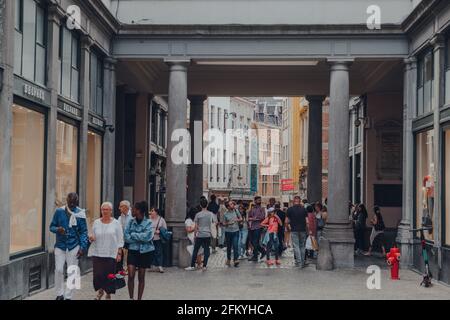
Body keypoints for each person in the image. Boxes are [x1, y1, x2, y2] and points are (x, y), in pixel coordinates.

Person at [49, 192, 88, 300]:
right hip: (60, 246)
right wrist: (58, 229)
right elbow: (51, 226)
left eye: (74, 203)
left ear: (77, 202)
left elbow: (84, 231)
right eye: (70, 202)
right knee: (59, 269)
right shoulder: (59, 211)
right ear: (66, 200)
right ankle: (59, 294)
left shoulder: (80, 213)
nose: (72, 205)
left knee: (72, 271)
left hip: (74, 245)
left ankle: (68, 296)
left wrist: (82, 247)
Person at [89, 202, 124, 300]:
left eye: (107, 209)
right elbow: (92, 235)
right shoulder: (96, 222)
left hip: (111, 253)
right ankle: (100, 291)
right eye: (103, 209)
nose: (104, 211)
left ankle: (108, 293)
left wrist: (119, 253)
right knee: (98, 275)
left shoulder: (116, 223)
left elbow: (120, 239)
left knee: (109, 275)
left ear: (111, 211)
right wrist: (91, 238)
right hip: (97, 252)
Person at [124, 201, 154, 300]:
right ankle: (131, 298)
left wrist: (133, 235)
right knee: (131, 275)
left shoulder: (149, 222)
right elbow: (126, 237)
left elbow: (147, 237)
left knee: (141, 276)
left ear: (139, 211)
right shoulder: (130, 222)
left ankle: (139, 298)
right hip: (132, 251)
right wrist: (140, 236)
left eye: (134, 209)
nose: (131, 210)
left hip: (145, 252)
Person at [185, 198, 217, 271]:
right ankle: (204, 266)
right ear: (207, 205)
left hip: (200, 234)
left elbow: (196, 226)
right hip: (208, 234)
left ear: (200, 205)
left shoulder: (198, 214)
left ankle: (192, 266)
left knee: (195, 250)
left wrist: (195, 235)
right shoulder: (210, 214)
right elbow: (215, 222)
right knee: (206, 250)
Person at [285, 196, 309, 268]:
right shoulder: (304, 209)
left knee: (296, 246)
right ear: (300, 201)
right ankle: (302, 262)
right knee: (302, 246)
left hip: (294, 230)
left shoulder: (289, 210)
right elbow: (307, 222)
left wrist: (288, 228)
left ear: (293, 201)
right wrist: (308, 230)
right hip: (303, 230)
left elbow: (286, 221)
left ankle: (299, 263)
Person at [223, 200, 242, 267]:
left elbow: (241, 218)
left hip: (236, 231)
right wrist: (228, 223)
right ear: (228, 207)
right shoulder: (225, 214)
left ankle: (236, 260)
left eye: (232, 204)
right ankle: (228, 259)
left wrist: (238, 220)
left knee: (235, 245)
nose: (233, 205)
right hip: (228, 232)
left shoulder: (236, 211)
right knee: (229, 247)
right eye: (231, 204)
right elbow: (223, 223)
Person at [247, 196, 266, 262]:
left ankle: (255, 256)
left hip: (258, 227)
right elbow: (249, 217)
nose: (259, 201)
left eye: (260, 200)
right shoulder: (252, 209)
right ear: (255, 201)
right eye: (258, 200)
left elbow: (263, 217)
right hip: (252, 227)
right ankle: (262, 251)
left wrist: (255, 218)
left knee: (255, 242)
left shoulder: (262, 209)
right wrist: (252, 218)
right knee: (252, 241)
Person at [149, 208, 167, 273]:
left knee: (159, 252)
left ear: (156, 212)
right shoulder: (149, 219)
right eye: (151, 211)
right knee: (151, 252)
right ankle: (152, 265)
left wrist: (159, 231)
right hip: (150, 238)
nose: (151, 212)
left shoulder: (161, 219)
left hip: (158, 238)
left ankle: (160, 266)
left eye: (152, 211)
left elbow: (165, 229)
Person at [118, 200, 133, 271]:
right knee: (124, 255)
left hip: (131, 240)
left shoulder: (132, 216)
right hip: (123, 240)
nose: (119, 208)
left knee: (129, 255)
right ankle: (124, 268)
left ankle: (129, 267)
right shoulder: (120, 217)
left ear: (126, 207)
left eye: (121, 206)